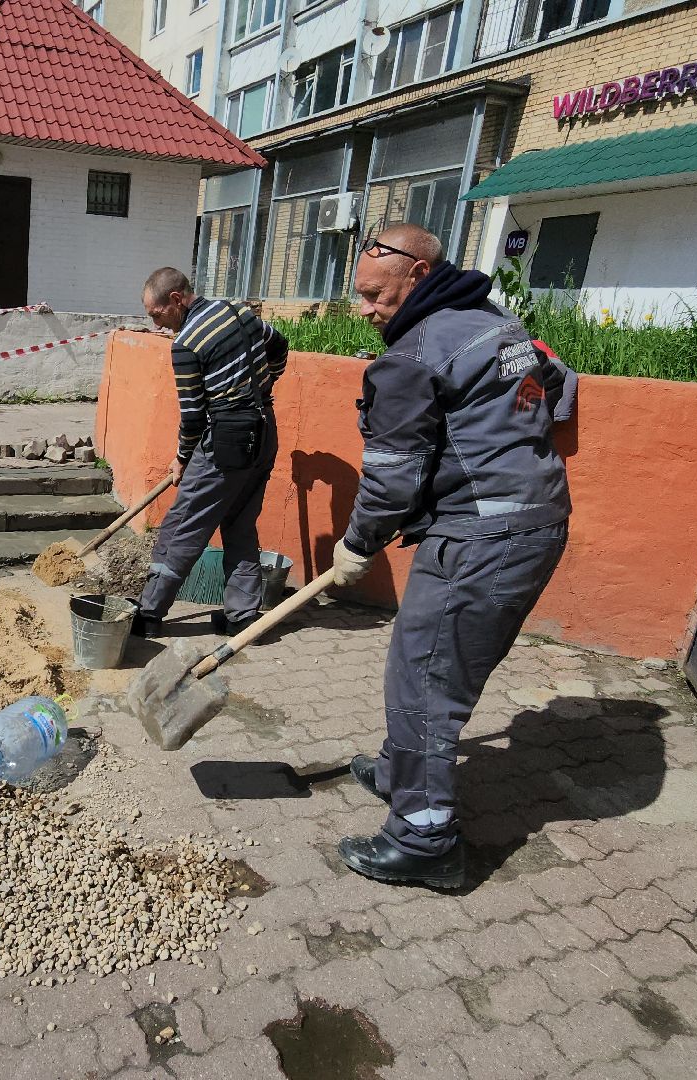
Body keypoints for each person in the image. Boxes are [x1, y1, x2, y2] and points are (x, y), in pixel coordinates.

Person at [330, 223, 576, 891]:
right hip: (537, 522)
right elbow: (559, 380)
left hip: (480, 538)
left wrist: (357, 546)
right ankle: (400, 773)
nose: (364, 309)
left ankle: (424, 838)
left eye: (376, 295)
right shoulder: (497, 323)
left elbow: (391, 479)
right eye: (360, 294)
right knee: (432, 664)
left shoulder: (411, 358)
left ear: (417, 275)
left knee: (425, 683)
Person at [128, 267, 289, 638]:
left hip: (226, 441)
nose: (156, 323)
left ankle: (149, 614)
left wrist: (182, 458)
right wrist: (263, 385)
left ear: (176, 299)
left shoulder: (186, 343)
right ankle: (242, 617)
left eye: (156, 314)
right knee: (240, 524)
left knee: (182, 526)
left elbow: (193, 415)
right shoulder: (237, 312)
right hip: (264, 428)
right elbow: (279, 346)